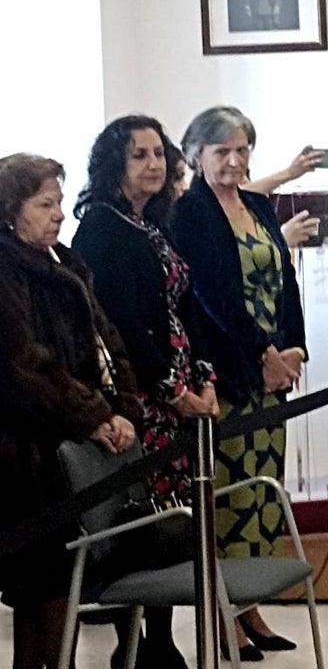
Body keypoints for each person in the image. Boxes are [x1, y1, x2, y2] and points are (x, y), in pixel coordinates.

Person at [73, 116, 221, 669]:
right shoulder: (103, 228)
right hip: (144, 399)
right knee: (143, 519)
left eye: (159, 153)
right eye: (139, 155)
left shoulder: (154, 223)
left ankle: (160, 635)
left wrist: (202, 378)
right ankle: (134, 641)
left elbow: (185, 305)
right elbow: (125, 325)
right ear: (114, 165)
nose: (154, 164)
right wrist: (172, 389)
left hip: (181, 391)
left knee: (175, 515)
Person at [170, 106, 306, 661]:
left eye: (242, 149)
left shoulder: (257, 204)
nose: (234, 159)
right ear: (197, 156)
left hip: (274, 372)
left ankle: (251, 607)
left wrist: (295, 348)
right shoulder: (191, 213)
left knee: (262, 493)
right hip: (230, 373)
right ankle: (225, 614)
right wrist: (262, 354)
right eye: (221, 150)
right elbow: (212, 296)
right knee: (229, 499)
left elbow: (286, 277)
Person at [0, 153, 140, 669]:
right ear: (13, 210)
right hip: (31, 454)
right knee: (41, 588)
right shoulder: (6, 266)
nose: (59, 214)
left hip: (82, 436)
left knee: (64, 582)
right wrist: (93, 417)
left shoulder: (67, 261)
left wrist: (124, 408)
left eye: (59, 202)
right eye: (45, 204)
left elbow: (109, 343)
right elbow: (26, 365)